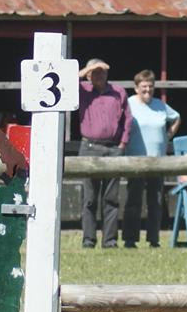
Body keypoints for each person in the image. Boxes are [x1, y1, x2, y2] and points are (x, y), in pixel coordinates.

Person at [77, 57, 132, 249]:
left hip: (113, 148)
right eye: (95, 72)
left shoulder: (118, 92)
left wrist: (123, 144)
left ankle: (109, 241)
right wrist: (85, 71)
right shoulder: (82, 90)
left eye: (103, 72)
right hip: (89, 148)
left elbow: (127, 119)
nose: (99, 75)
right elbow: (65, 83)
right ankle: (88, 240)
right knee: (89, 198)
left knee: (111, 198)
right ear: (89, 74)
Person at [123, 70, 181, 248]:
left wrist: (168, 135)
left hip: (157, 160)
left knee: (155, 201)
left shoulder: (160, 105)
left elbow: (177, 117)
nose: (147, 90)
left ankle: (153, 239)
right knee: (133, 200)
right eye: (143, 87)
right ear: (136, 88)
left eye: (150, 87)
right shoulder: (129, 104)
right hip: (136, 159)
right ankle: (130, 239)